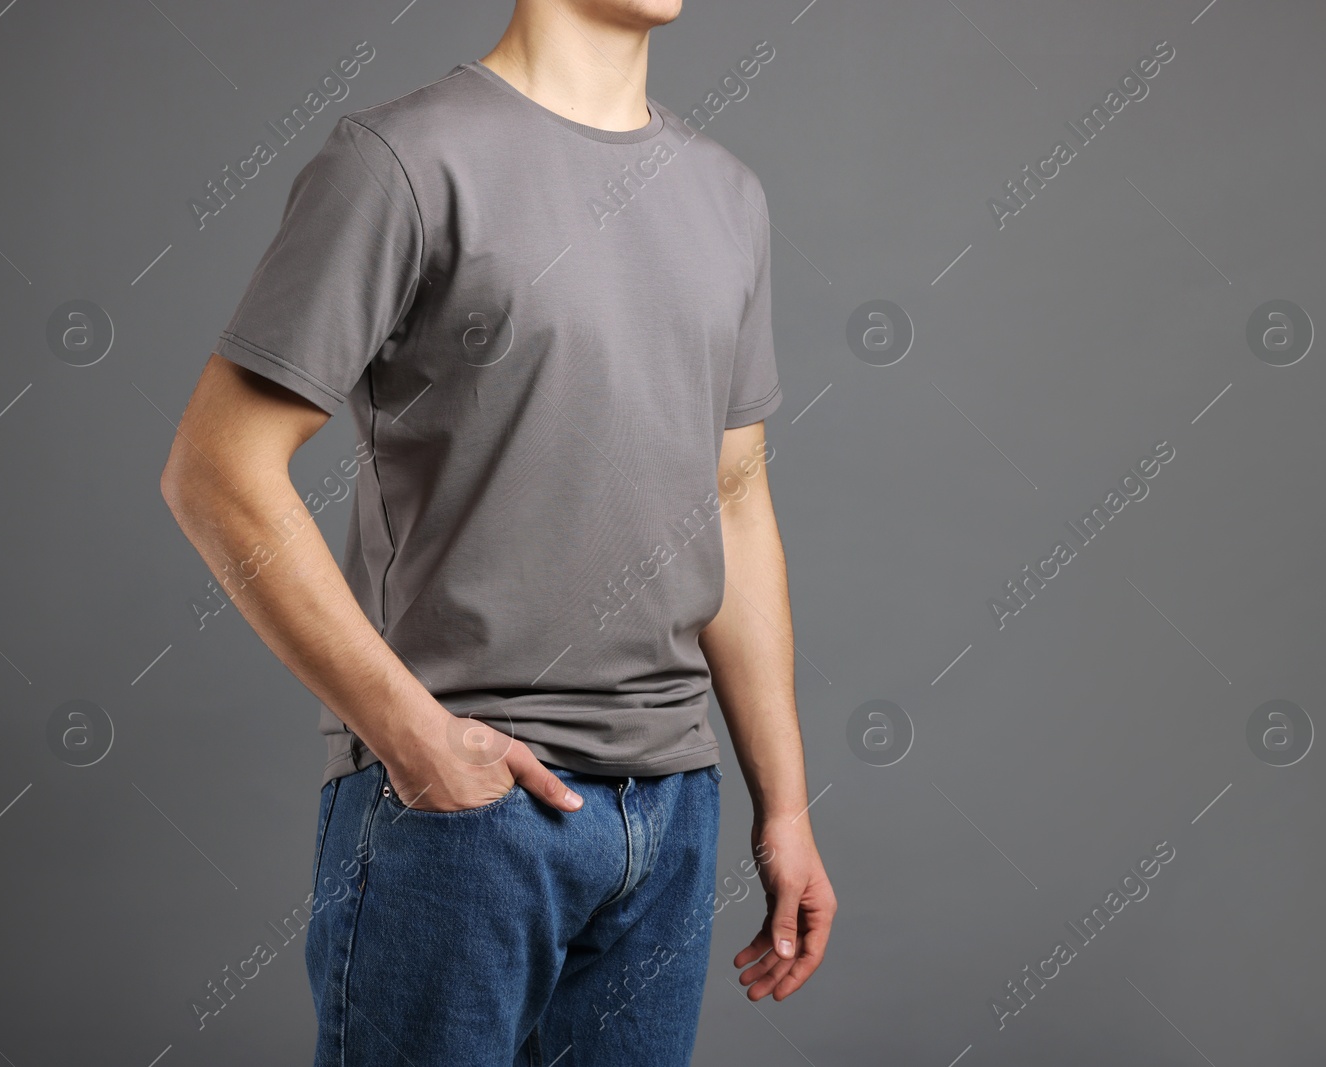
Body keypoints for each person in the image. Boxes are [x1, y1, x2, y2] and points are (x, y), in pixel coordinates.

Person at [159, 1, 834, 1062]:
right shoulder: (403, 161)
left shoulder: (726, 195)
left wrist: (782, 807)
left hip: (672, 813)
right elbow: (215, 469)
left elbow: (735, 493)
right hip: (463, 810)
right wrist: (417, 740)